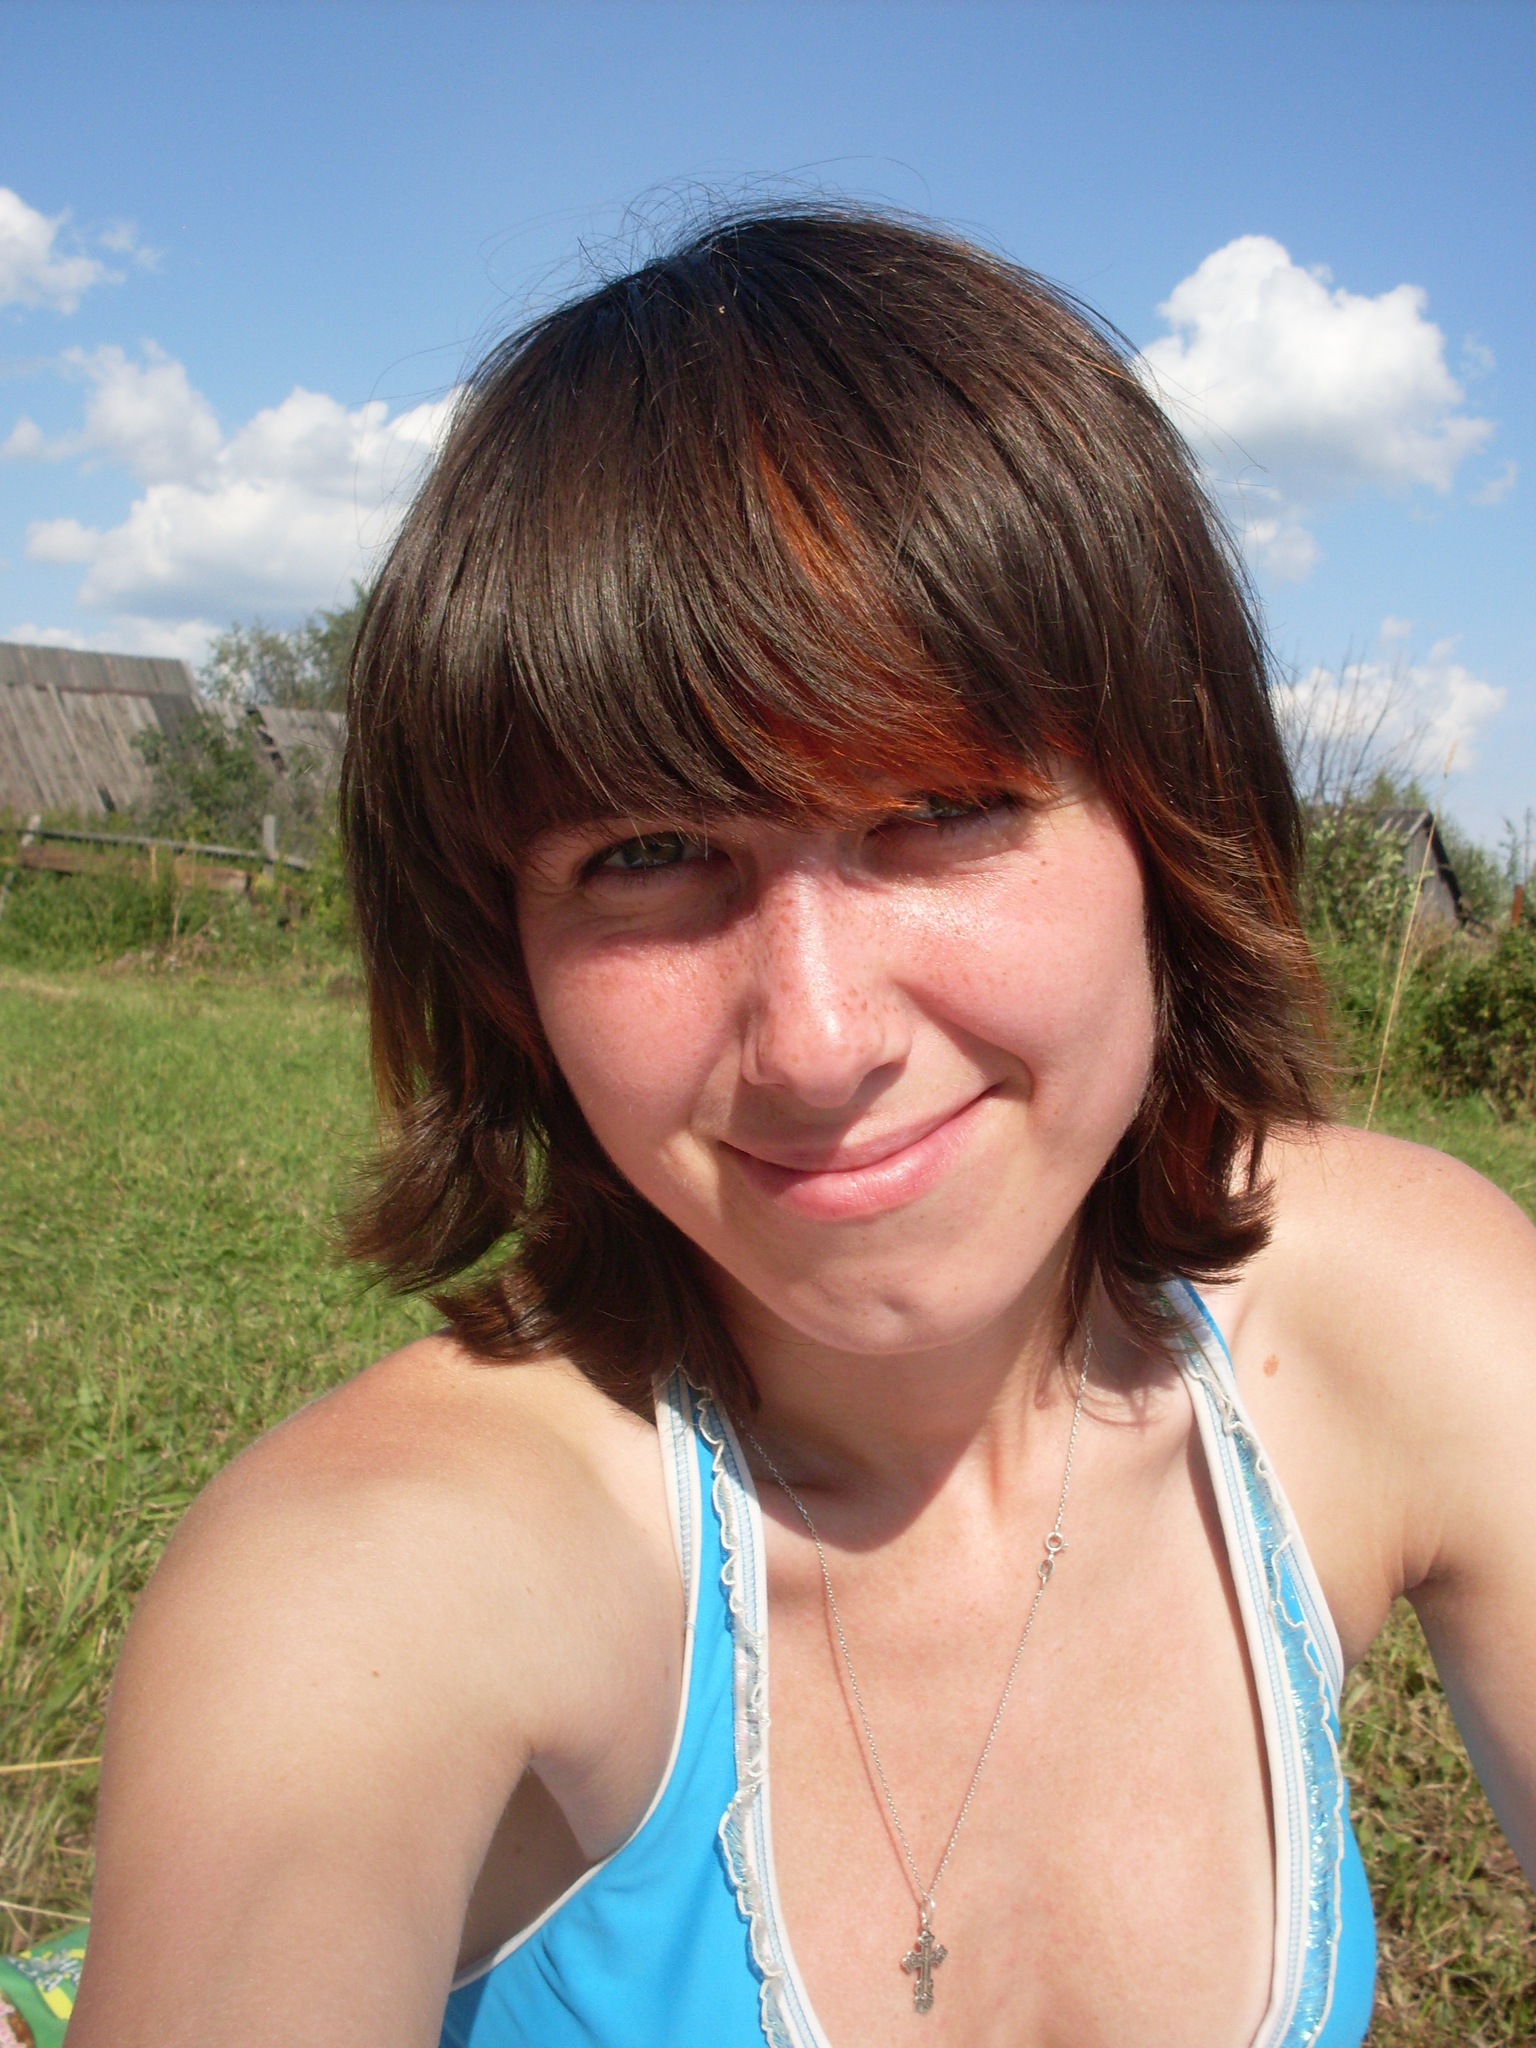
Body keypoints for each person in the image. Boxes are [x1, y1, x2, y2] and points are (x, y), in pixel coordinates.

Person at [68, 207, 1535, 2048]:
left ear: (1175, 824)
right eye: (649, 853)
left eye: (940, 808)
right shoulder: (365, 1593)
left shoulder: (1406, 1314)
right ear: (506, 958)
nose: (819, 1041)